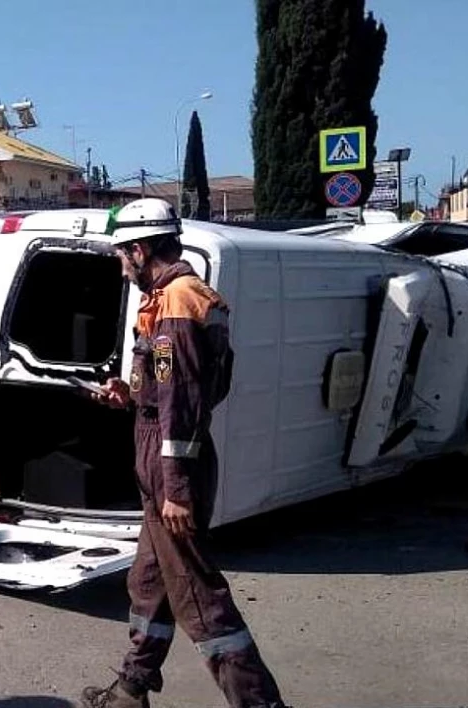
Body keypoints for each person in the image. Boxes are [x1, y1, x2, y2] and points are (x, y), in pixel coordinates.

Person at [80, 200, 288, 708]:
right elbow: (169, 389)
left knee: (199, 598)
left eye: (121, 254)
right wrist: (127, 393)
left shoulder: (176, 302)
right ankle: (132, 689)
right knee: (148, 583)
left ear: (139, 248)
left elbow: (184, 402)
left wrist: (175, 488)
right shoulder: (170, 298)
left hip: (174, 461)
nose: (119, 264)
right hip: (161, 451)